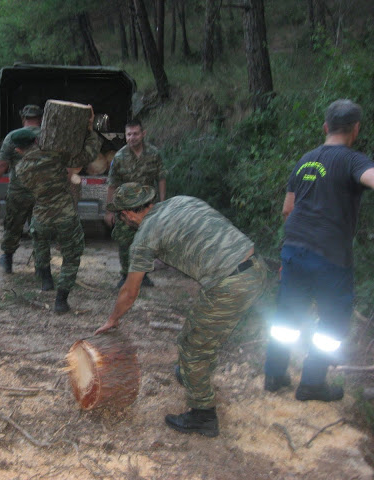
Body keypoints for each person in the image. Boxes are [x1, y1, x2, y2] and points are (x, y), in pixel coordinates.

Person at [95, 183, 267, 437]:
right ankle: (192, 376)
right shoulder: (183, 200)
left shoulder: (145, 236)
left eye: (122, 216)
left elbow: (130, 292)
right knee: (198, 335)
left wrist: (113, 319)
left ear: (128, 214)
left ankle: (203, 415)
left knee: (193, 347)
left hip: (230, 283)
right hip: (255, 267)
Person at [263, 99, 374, 402]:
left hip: (294, 248)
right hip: (331, 257)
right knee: (332, 323)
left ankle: (274, 375)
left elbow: (288, 209)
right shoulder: (353, 160)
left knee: (287, 316)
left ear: (325, 127)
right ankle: (311, 384)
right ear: (356, 129)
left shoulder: (306, 160)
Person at [13, 107, 101, 313]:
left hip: (41, 215)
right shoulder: (55, 155)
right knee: (71, 255)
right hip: (64, 214)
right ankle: (61, 299)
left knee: (40, 244)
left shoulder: (20, 170)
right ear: (36, 141)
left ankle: (46, 280)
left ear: (18, 150)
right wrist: (90, 132)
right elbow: (87, 155)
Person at [104, 120, 167, 288]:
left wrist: (162, 203)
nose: (132, 137)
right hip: (126, 208)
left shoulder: (154, 154)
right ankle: (125, 276)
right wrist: (109, 210)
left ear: (143, 134)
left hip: (148, 207)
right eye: (129, 134)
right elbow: (112, 184)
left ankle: (143, 276)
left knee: (145, 243)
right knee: (125, 242)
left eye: (135, 134)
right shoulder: (119, 157)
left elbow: (161, 178)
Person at [0, 104, 43, 274]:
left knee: (13, 225)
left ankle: (8, 259)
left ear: (23, 118)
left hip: (19, 191)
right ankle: (41, 266)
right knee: (39, 228)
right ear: (40, 118)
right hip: (42, 191)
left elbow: (1, 165)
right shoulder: (47, 136)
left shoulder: (12, 137)